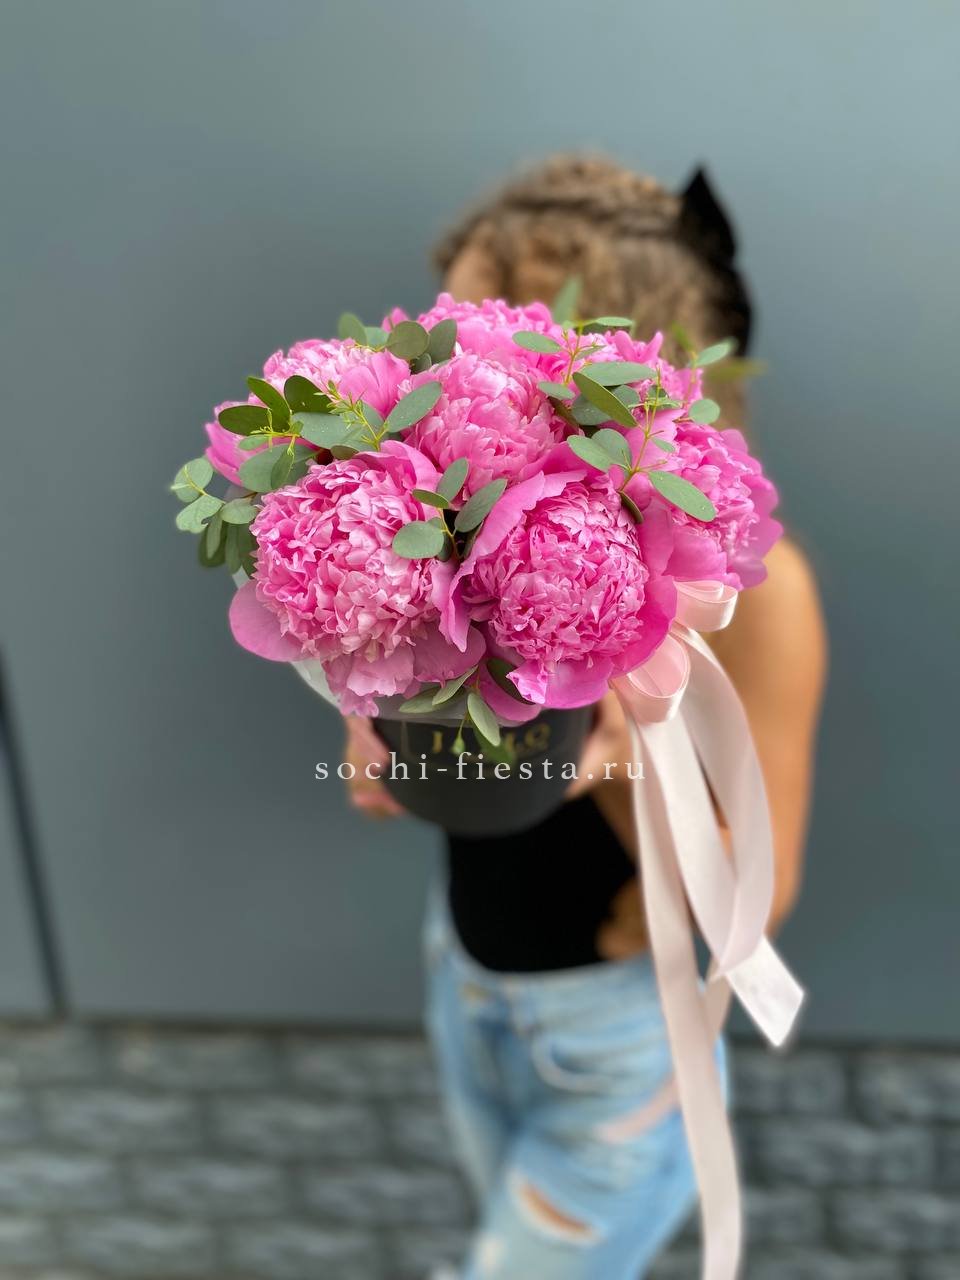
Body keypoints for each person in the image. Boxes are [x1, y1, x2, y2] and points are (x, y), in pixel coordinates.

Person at [344, 155, 827, 1279]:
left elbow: (751, 896)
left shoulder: (755, 596)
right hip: (466, 968)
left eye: (476, 336)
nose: (435, 365)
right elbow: (399, 755)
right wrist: (374, 724)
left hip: (611, 1028)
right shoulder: (453, 533)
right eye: (437, 330)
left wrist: (617, 740)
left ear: (603, 369)